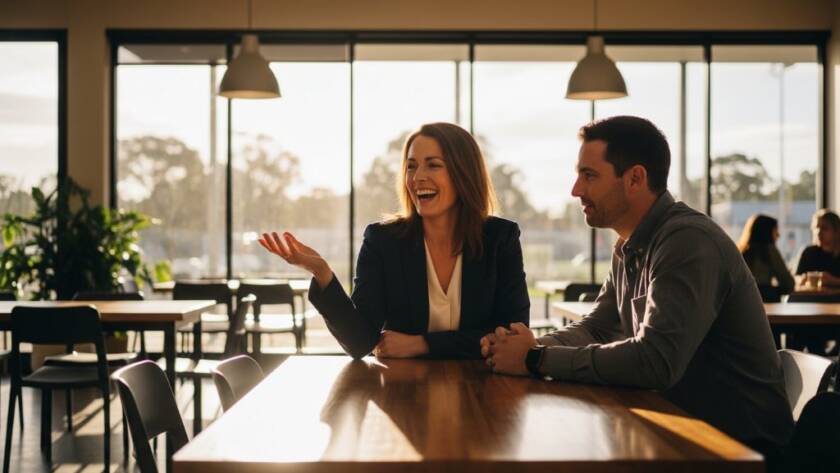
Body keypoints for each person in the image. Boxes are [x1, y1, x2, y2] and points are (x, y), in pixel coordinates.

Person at [481, 116, 793, 462]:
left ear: (635, 179)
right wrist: (527, 345)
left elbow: (655, 362)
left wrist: (535, 358)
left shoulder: (688, 241)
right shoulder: (628, 245)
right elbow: (597, 327)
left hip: (737, 448)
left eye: (589, 175)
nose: (575, 190)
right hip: (679, 428)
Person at [259, 122, 529, 359]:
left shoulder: (500, 239)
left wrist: (421, 345)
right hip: (404, 393)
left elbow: (511, 337)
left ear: (463, 174)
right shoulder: (382, 241)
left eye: (433, 165)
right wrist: (322, 273)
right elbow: (361, 342)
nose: (417, 176)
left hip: (485, 393)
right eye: (411, 166)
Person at [737, 214, 795, 296]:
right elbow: (788, 284)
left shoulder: (741, 252)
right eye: (775, 231)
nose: (778, 235)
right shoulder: (769, 250)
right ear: (766, 232)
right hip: (765, 305)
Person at [795, 209, 840, 287]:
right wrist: (803, 279)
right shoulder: (808, 252)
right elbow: (796, 277)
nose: (818, 232)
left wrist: (833, 281)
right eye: (816, 228)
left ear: (836, 231)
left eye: (824, 228)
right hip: (812, 297)